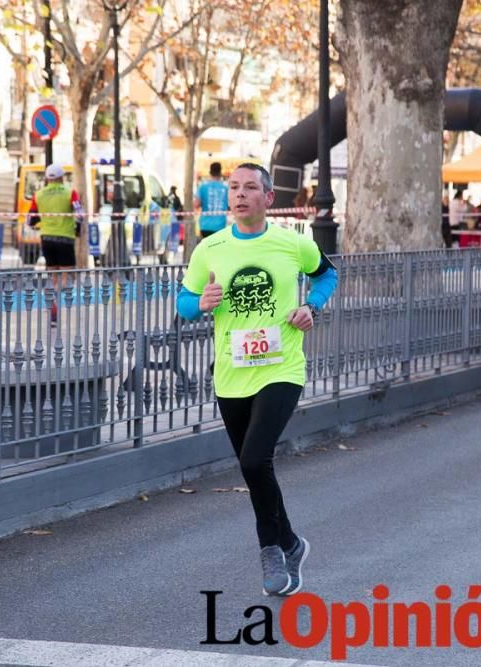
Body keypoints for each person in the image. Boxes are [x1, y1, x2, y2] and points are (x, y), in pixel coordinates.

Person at [176, 163, 338, 597]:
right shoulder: (210, 249)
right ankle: (290, 543)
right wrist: (201, 302)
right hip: (231, 375)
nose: (241, 194)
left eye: (250, 187)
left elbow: (327, 274)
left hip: (282, 367)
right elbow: (184, 302)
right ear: (227, 197)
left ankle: (270, 549)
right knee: (255, 466)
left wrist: (312, 307)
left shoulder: (292, 243)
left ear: (268, 198)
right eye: (234, 188)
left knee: (252, 460)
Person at [28, 164, 82, 323]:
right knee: (66, 276)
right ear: (62, 177)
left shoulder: (38, 195)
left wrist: (42, 221)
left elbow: (30, 220)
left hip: (47, 239)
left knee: (52, 276)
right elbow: (80, 214)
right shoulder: (70, 193)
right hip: (65, 238)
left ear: (47, 178)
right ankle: (58, 303)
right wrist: (77, 230)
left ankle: (51, 306)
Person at [194, 161, 229, 238]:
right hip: (220, 225)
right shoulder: (226, 188)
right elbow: (231, 205)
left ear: (210, 172)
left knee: (207, 249)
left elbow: (196, 204)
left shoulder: (202, 187)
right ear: (220, 172)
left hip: (205, 225)